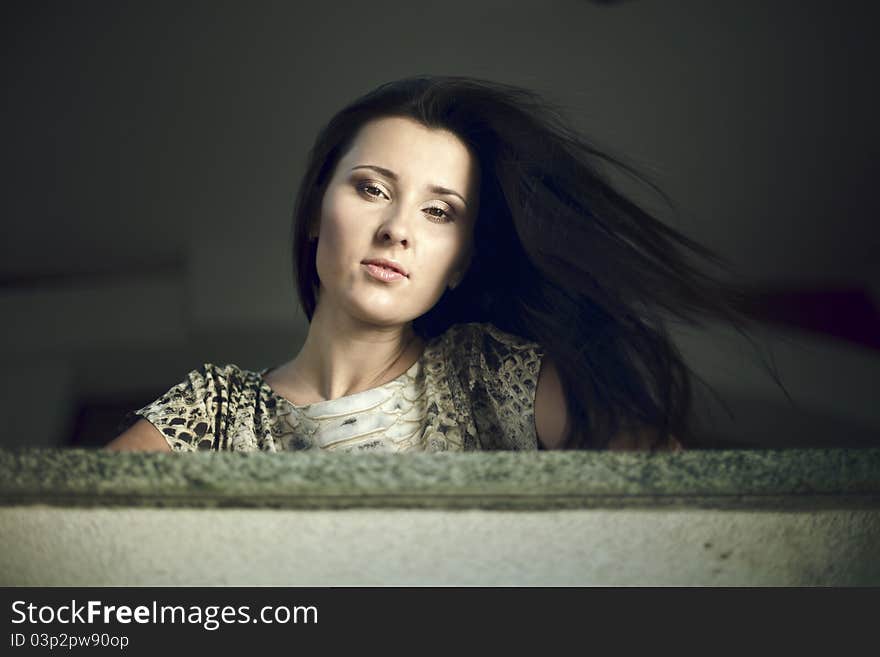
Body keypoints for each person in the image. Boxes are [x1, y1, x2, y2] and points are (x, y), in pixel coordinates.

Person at [106, 75, 776, 454]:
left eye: (440, 211)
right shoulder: (216, 407)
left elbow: (682, 498)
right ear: (315, 212)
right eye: (371, 188)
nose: (397, 229)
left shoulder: (491, 374)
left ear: (459, 263)